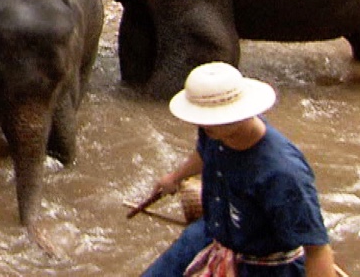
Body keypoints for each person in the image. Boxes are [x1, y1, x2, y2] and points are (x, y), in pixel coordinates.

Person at [140, 62, 336, 277]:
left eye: (212, 119)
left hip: (265, 266)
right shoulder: (215, 131)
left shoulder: (282, 174)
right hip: (211, 235)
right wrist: (176, 177)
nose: (205, 125)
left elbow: (317, 249)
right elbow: (204, 152)